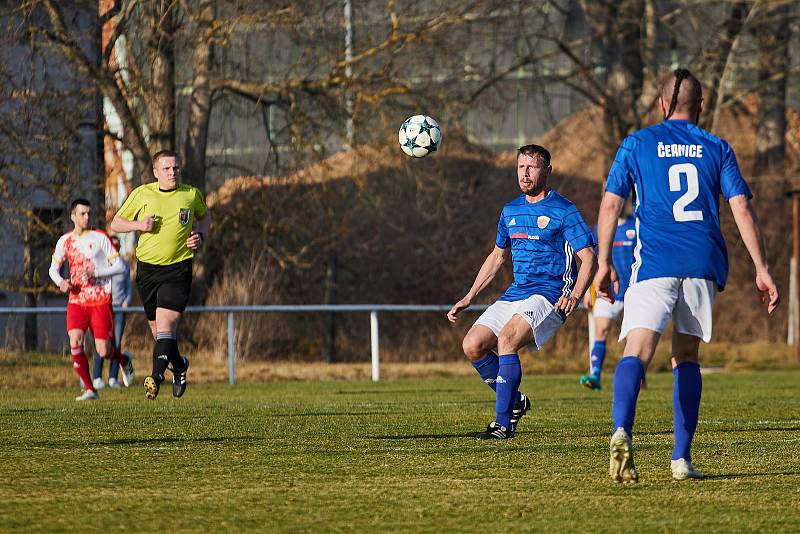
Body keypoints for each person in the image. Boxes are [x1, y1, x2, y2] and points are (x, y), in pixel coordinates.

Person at [595, 69, 780, 483]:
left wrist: (604, 262)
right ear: (701, 106)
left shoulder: (636, 144)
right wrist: (762, 269)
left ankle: (622, 430)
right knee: (687, 357)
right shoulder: (717, 146)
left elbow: (610, 207)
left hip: (655, 263)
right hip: (701, 263)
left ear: (661, 105)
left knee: (636, 351)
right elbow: (741, 209)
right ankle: (680, 459)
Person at [448, 144, 597, 439]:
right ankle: (515, 402)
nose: (525, 173)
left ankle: (502, 425)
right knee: (473, 345)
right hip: (517, 292)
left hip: (551, 294)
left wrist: (576, 296)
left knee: (507, 339)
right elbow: (497, 257)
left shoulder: (564, 210)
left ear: (547, 171)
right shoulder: (510, 210)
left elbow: (589, 257)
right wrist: (469, 296)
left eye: (532, 167)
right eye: (520, 167)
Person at [110, 150, 210, 400]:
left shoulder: (190, 194)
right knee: (160, 335)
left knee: (166, 326)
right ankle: (180, 365)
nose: (172, 172)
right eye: (166, 169)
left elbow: (206, 218)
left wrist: (201, 236)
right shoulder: (143, 193)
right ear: (155, 172)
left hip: (178, 268)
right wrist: (139, 225)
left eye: (175, 168)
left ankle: (154, 378)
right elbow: (116, 223)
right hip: (147, 270)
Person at [49, 198, 135, 401]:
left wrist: (95, 272)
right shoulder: (65, 241)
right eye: (82, 213)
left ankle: (124, 360)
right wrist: (61, 282)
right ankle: (90, 389)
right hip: (77, 300)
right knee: (75, 342)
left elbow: (121, 267)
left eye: (89, 213)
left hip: (100, 300)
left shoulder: (100, 238)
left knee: (103, 350)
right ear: (73, 216)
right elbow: (53, 269)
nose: (87, 217)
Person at [579, 206, 636, 391]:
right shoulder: (600, 229)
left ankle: (637, 374)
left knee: (633, 338)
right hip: (606, 291)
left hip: (633, 292)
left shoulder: (636, 224)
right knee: (601, 331)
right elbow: (592, 261)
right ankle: (595, 374)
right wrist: (588, 290)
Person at [92, 236, 133, 389]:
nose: (114, 247)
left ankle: (113, 378)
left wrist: (127, 300)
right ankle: (96, 377)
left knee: (116, 343)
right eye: (112, 245)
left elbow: (129, 286)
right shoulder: (101, 264)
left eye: (117, 245)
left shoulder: (123, 264)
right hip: (103, 307)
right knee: (101, 343)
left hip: (119, 308)